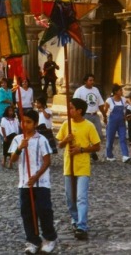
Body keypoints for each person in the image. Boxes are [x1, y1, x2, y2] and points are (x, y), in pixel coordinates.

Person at [9, 110, 57, 254]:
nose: (25, 124)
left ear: (35, 124)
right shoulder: (18, 139)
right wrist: (19, 149)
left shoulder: (41, 139)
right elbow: (12, 160)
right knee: (27, 213)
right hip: (24, 183)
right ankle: (32, 240)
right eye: (23, 121)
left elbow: (47, 161)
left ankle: (49, 238)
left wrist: (36, 176)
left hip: (41, 183)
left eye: (29, 122)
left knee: (44, 210)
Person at [56, 98, 101, 240]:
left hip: (82, 167)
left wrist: (81, 149)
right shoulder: (65, 125)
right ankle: (75, 220)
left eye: (71, 108)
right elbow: (60, 145)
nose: (69, 111)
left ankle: (82, 226)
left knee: (81, 197)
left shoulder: (89, 126)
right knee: (70, 198)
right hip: (69, 167)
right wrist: (65, 140)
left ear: (79, 111)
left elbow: (97, 146)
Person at [73, 74, 106, 161]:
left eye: (93, 80)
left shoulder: (96, 90)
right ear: (85, 81)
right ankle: (88, 151)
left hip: (94, 115)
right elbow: (74, 104)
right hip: (85, 115)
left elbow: (100, 104)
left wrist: (104, 114)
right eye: (90, 80)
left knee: (99, 134)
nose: (92, 82)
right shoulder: (79, 91)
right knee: (86, 134)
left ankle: (92, 150)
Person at [103, 84, 131, 163]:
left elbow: (127, 109)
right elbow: (105, 111)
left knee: (123, 138)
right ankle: (109, 155)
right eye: (120, 90)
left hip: (122, 122)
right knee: (110, 139)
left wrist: (126, 115)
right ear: (115, 92)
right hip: (112, 122)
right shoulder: (109, 100)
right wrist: (105, 118)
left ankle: (125, 156)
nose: (121, 92)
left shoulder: (124, 99)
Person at [0, 78, 13, 145]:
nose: (3, 84)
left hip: (7, 110)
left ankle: (8, 138)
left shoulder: (10, 90)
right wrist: (9, 101)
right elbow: (2, 99)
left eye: (4, 83)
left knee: (7, 125)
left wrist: (9, 101)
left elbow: (11, 99)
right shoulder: (0, 90)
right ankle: (2, 139)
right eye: (2, 83)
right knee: (0, 125)